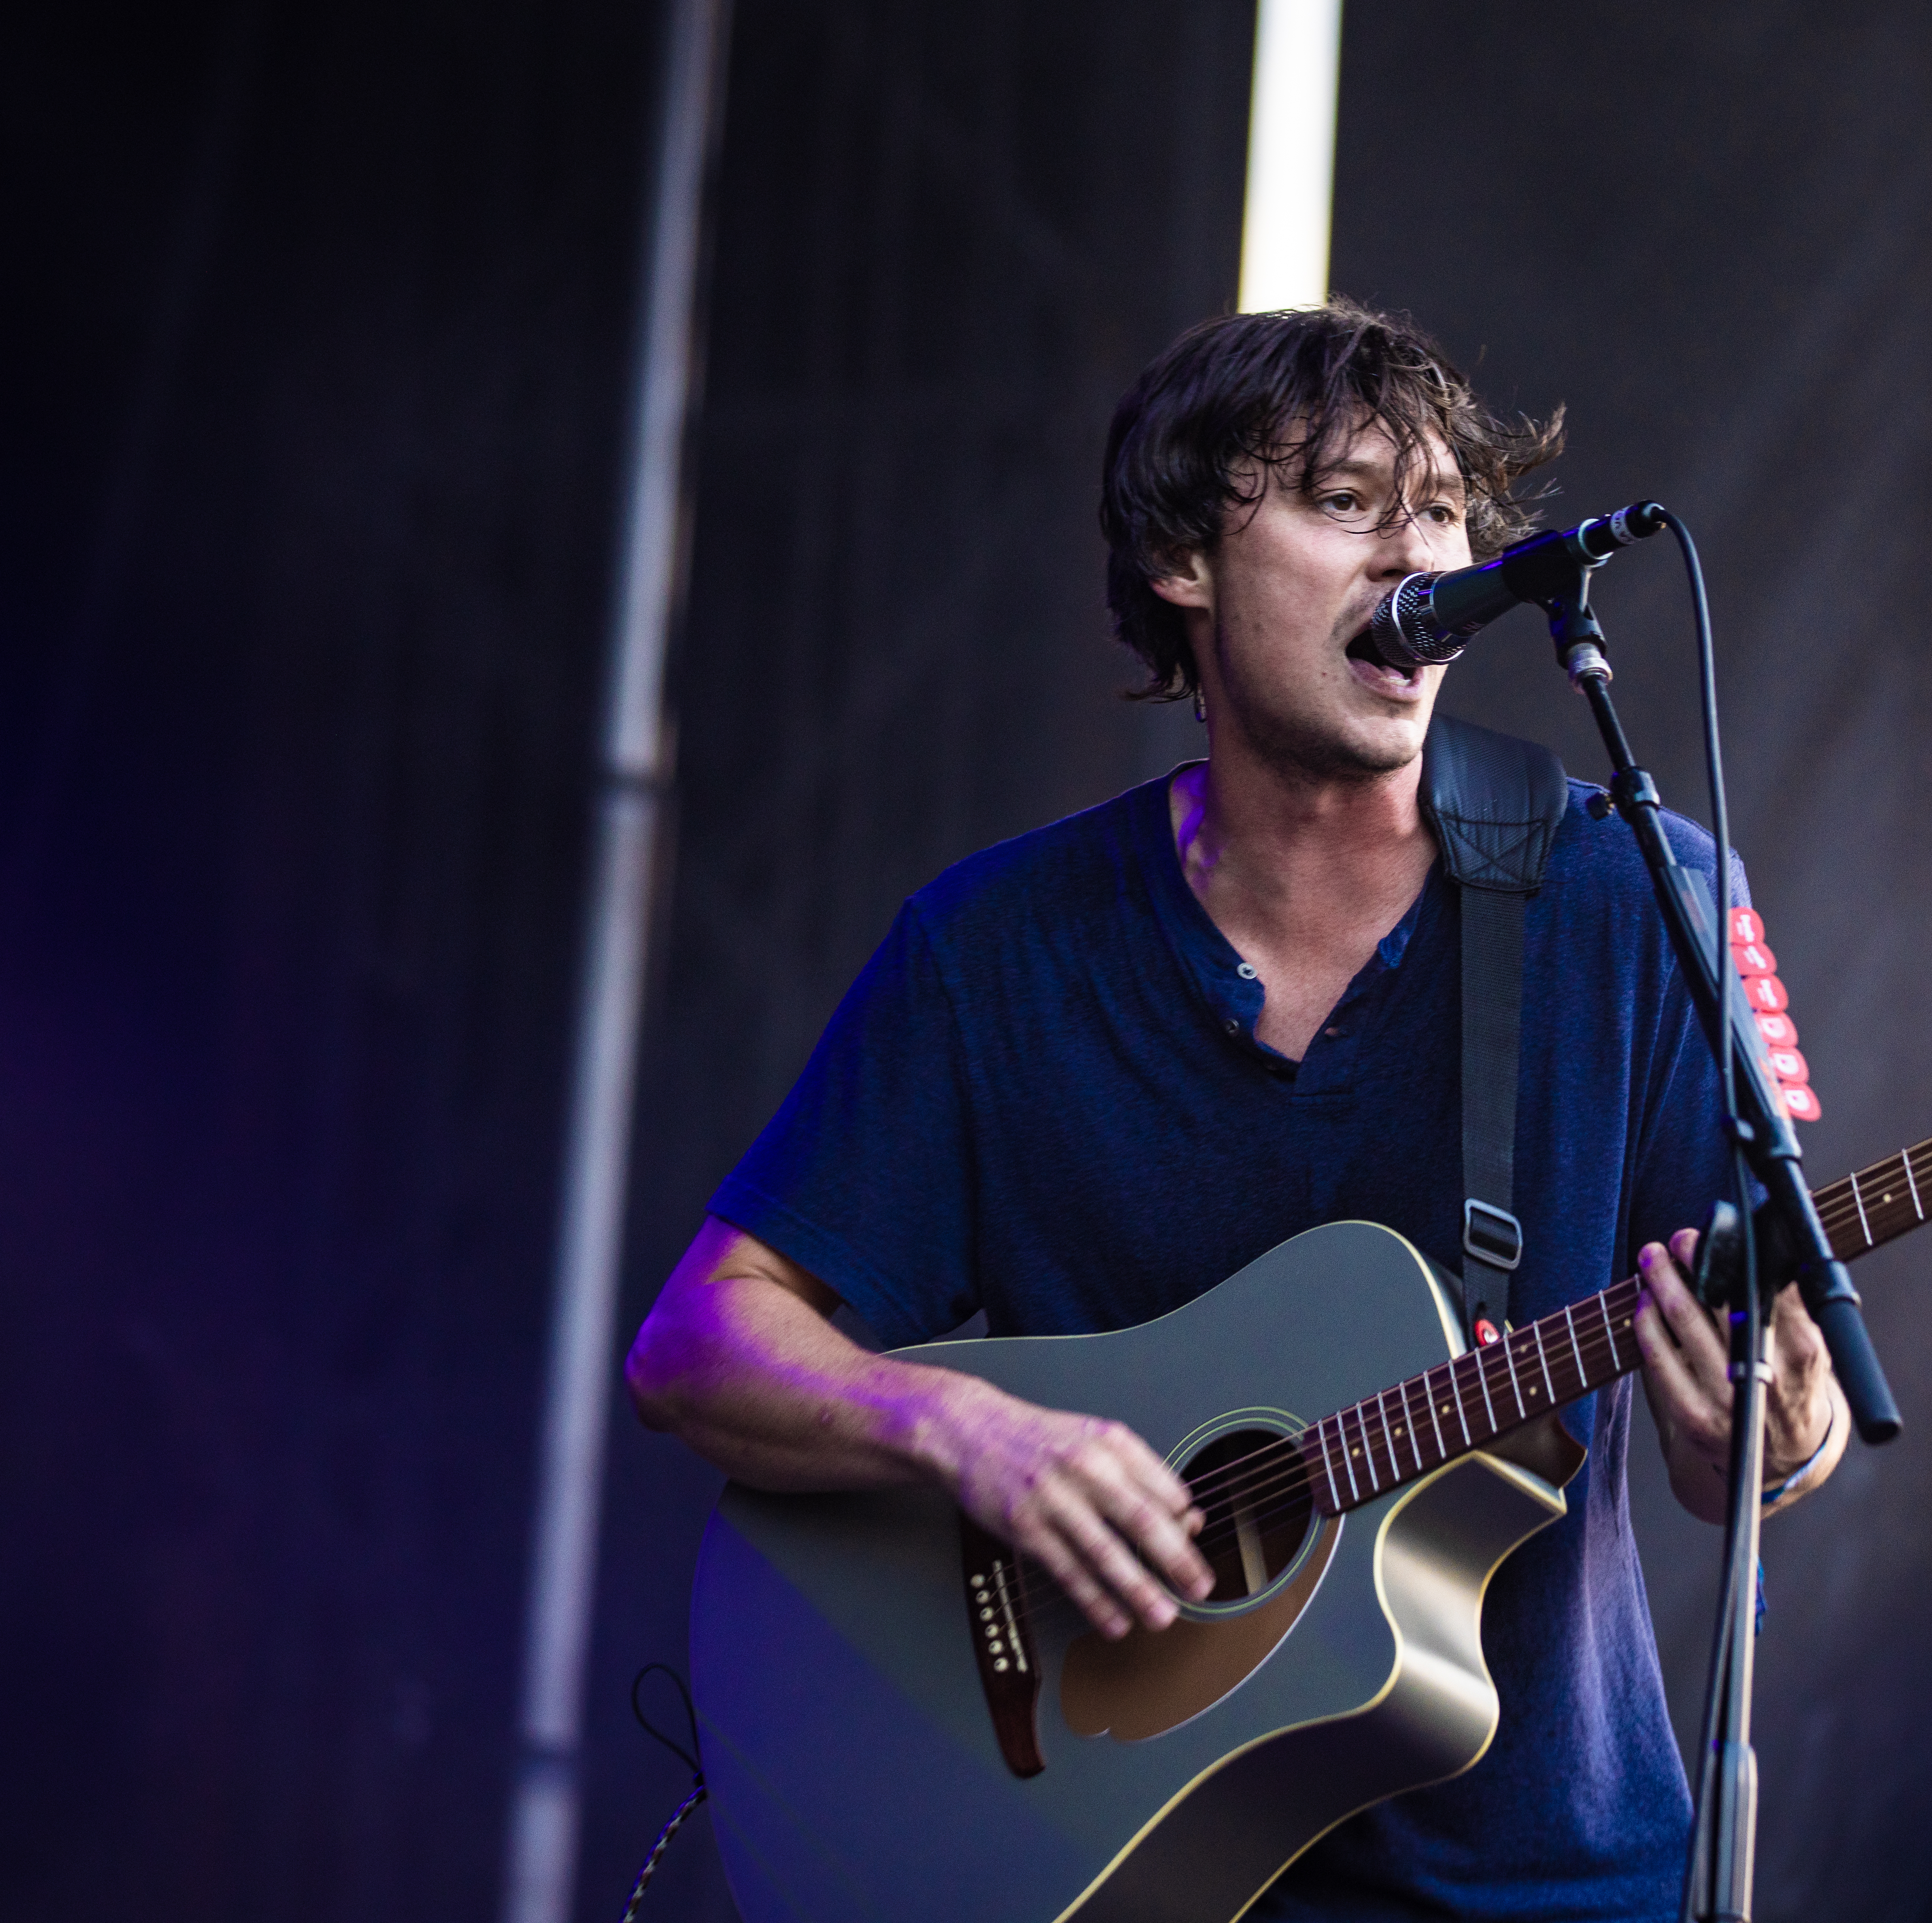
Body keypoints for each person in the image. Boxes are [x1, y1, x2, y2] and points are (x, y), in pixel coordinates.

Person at [623, 300, 1850, 1920]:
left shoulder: (1645, 901)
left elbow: (1771, 1412)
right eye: (1345, 504)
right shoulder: (999, 951)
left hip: (1550, 1885)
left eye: (1440, 516)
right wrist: (966, 1433)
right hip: (1102, 1869)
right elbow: (697, 1349)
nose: (1412, 565)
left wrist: (1770, 1434)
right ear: (1180, 563)